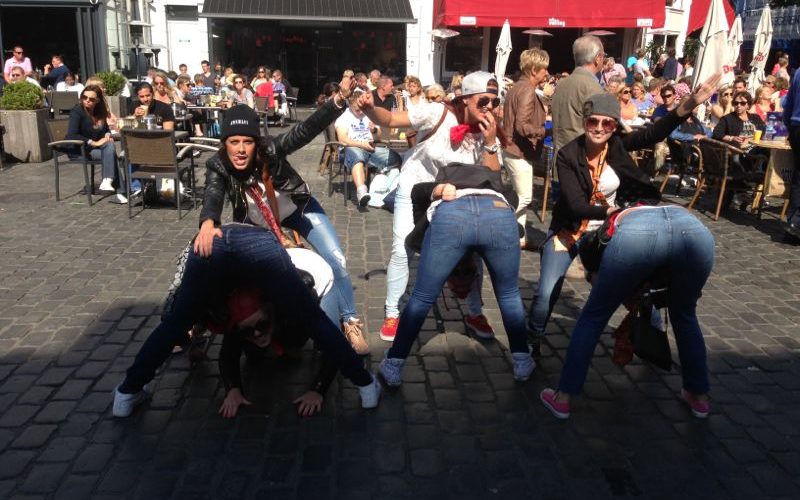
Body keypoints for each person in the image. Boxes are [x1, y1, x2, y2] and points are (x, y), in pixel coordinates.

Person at [527, 75, 720, 355]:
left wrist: (688, 105)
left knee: (637, 286)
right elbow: (576, 204)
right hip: (570, 229)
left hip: (607, 231)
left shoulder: (616, 145)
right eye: (593, 121)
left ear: (615, 126)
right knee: (546, 292)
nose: (599, 128)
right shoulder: (568, 154)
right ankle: (532, 341)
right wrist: (613, 210)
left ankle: (650, 340)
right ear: (584, 121)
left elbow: (653, 133)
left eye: (607, 123)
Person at [112, 223, 381, 418]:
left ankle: (126, 393)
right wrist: (233, 389)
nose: (256, 334)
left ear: (273, 312)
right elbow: (228, 353)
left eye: (262, 326)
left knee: (314, 324)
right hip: (231, 241)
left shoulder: (297, 293)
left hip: (268, 254)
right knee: (177, 325)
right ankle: (366, 385)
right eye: (247, 331)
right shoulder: (241, 309)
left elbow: (326, 338)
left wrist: (318, 389)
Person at [195, 78, 372, 355]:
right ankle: (277, 326)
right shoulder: (218, 165)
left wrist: (337, 101)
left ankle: (349, 322)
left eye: (247, 142)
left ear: (256, 143)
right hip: (258, 223)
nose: (240, 149)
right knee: (263, 277)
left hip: (298, 209)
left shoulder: (271, 150)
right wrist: (208, 222)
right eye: (234, 142)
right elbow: (213, 193)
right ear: (225, 144)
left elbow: (304, 130)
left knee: (336, 259)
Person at [357, 71, 502, 342]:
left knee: (475, 250)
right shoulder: (438, 112)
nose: (490, 107)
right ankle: (392, 312)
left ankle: (475, 312)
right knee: (402, 249)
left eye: (495, 102)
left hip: (452, 196)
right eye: (483, 101)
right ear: (465, 98)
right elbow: (391, 120)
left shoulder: (487, 130)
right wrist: (370, 109)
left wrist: (491, 143)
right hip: (415, 187)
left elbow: (493, 177)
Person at [539, 204, 715, 419]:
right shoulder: (633, 215)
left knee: (593, 316)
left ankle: (563, 398)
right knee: (685, 315)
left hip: (637, 234)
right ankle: (699, 397)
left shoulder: (605, 238)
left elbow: (607, 277)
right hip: (695, 232)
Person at [502, 48, 550, 248]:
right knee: (524, 197)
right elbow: (522, 126)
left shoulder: (516, 87)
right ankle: (495, 222)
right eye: (544, 69)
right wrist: (545, 131)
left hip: (511, 149)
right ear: (534, 70)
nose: (546, 73)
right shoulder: (527, 89)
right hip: (517, 151)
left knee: (519, 193)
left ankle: (520, 238)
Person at [335, 93, 402, 206]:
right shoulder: (344, 118)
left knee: (395, 158)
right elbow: (343, 139)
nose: (361, 112)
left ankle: (386, 186)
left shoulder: (369, 114)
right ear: (350, 106)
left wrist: (374, 130)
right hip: (350, 149)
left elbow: (378, 137)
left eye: (362, 109)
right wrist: (362, 144)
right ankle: (361, 191)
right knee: (357, 156)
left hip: (370, 148)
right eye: (357, 110)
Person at [551, 35, 604, 153]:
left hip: (559, 154)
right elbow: (598, 131)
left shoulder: (561, 84)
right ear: (598, 58)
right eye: (603, 56)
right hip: (579, 157)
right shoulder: (593, 88)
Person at [65, 85, 121, 196]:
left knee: (109, 147)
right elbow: (72, 134)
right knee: (112, 154)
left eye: (91, 99)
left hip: (93, 150)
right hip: (79, 150)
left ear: (97, 101)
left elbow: (106, 129)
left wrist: (107, 135)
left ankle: (110, 183)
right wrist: (93, 142)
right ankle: (120, 189)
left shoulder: (99, 112)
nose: (87, 100)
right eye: (84, 97)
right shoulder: (77, 111)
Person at [781, 65, 800, 242]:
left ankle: (793, 226)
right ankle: (796, 224)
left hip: (796, 127)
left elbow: (788, 103)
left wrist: (789, 125)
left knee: (798, 180)